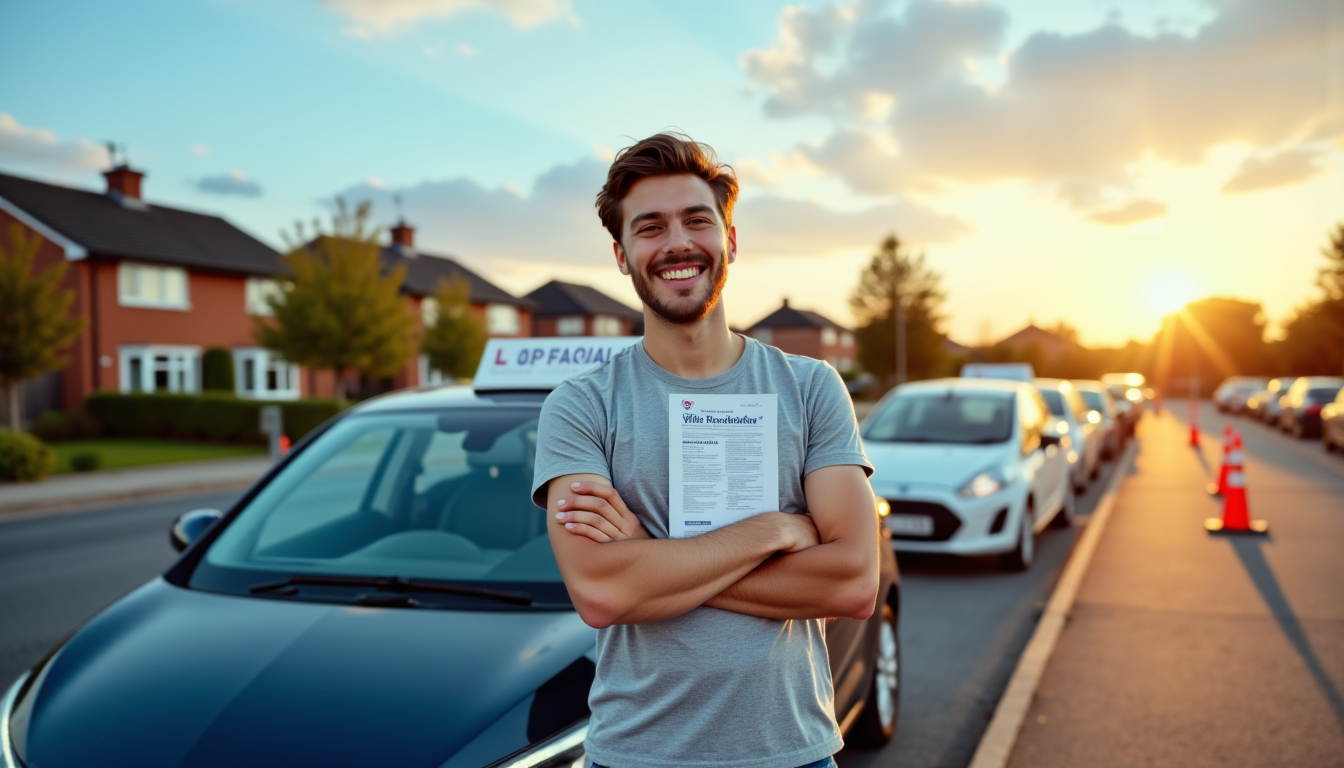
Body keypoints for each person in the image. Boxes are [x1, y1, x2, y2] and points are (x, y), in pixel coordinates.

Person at [531, 132, 879, 768]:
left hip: (792, 753)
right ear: (621, 253)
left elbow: (854, 582)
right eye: (650, 227)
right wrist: (776, 529)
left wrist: (649, 560)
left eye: (697, 220)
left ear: (731, 240)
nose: (677, 244)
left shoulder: (810, 388)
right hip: (638, 755)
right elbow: (603, 596)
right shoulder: (580, 407)